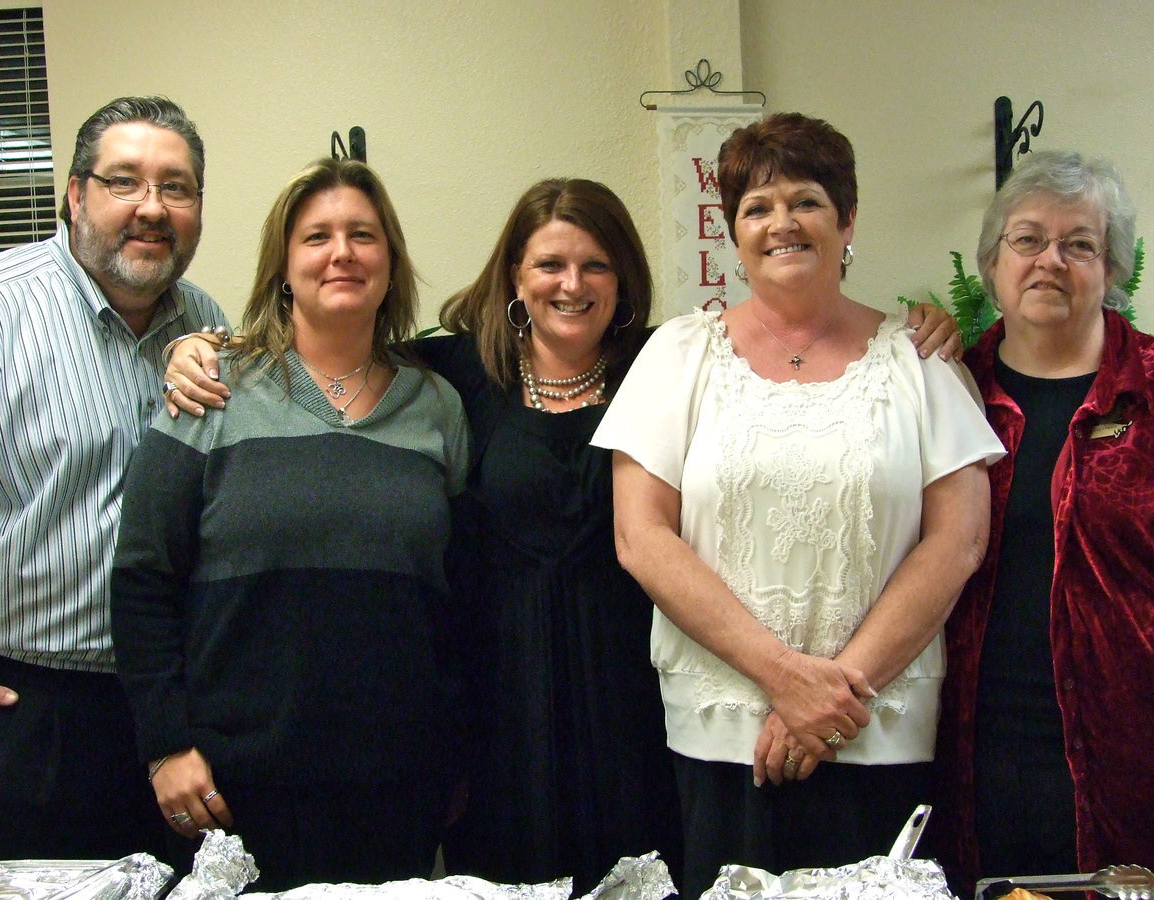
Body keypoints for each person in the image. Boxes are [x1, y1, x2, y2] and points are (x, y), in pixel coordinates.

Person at [161, 178, 962, 894]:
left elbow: (781, 363)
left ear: (623, 281)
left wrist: (920, 328)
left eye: (595, 266)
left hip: (637, 708)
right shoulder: (453, 376)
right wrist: (199, 346)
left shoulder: (673, 364)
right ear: (515, 276)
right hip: (498, 710)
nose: (571, 285)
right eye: (549, 264)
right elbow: (333, 343)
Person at [593, 112, 1004, 900]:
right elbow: (640, 536)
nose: (782, 222)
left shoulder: (919, 362)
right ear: (734, 233)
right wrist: (785, 679)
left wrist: (834, 695)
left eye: (806, 201)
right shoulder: (679, 355)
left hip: (878, 728)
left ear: (847, 221)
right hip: (721, 733)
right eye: (757, 207)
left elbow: (959, 541)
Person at [110, 157, 468, 892]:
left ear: (390, 262)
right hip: (234, 784)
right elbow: (143, 576)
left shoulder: (438, 405)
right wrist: (165, 745)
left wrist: (459, 751)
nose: (342, 253)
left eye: (363, 235)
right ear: (282, 266)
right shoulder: (212, 390)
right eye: (317, 237)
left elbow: (463, 594)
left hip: (398, 781)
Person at [0, 95, 223, 860]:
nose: (152, 208)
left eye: (176, 187)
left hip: (163, 717)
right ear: (75, 195)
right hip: (13, 717)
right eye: (124, 181)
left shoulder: (203, 323)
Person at [933, 150, 1154, 895]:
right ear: (992, 263)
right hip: (969, 749)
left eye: (1079, 244)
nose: (1050, 261)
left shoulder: (1148, 391)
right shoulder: (946, 393)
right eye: (1028, 239)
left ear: (1113, 268)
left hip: (1130, 757)